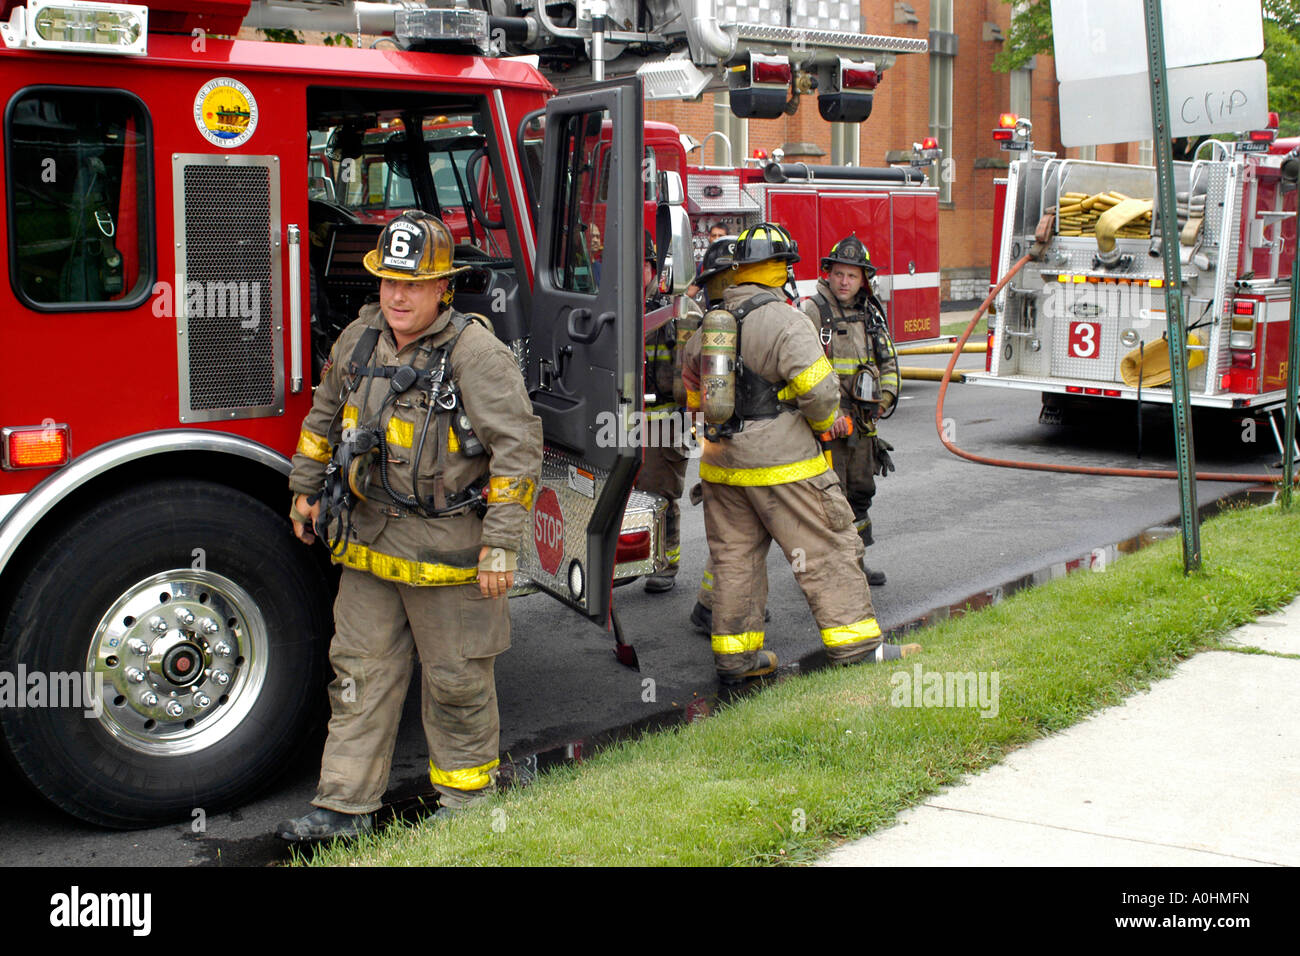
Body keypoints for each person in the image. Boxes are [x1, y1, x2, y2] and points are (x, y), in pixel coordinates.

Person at [277, 211, 543, 842]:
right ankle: (342, 808)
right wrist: (304, 490)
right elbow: (323, 415)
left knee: (457, 680)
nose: (396, 295)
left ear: (443, 288)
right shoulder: (360, 338)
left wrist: (501, 544)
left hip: (450, 554)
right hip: (368, 544)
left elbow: (518, 452)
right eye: (389, 282)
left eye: (413, 284)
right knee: (358, 675)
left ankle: (468, 804)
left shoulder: (477, 354)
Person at [681, 223, 919, 683]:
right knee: (827, 543)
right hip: (782, 465)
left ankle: (736, 661)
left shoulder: (715, 319)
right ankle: (857, 649)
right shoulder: (788, 320)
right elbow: (821, 394)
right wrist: (826, 423)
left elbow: (690, 384)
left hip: (720, 466)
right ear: (781, 270)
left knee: (735, 559)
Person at [799, 234, 899, 586]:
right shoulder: (813, 311)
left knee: (860, 495)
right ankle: (827, 573)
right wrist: (829, 416)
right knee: (830, 500)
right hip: (829, 428)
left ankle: (855, 563)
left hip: (863, 427)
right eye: (839, 274)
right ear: (827, 273)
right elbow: (802, 372)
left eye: (852, 276)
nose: (844, 282)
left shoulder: (870, 312)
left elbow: (889, 364)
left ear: (863, 280)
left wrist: (883, 402)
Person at [636, 231, 691, 592]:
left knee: (659, 495)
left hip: (665, 423)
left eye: (634, 266)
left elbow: (691, 371)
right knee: (631, 496)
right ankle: (636, 557)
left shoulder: (673, 308)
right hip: (625, 419)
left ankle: (665, 563)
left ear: (652, 267)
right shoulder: (619, 305)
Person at [686, 222, 730, 301]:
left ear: (728, 238)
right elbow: (692, 291)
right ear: (709, 238)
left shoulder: (736, 261)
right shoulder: (704, 265)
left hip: (733, 308)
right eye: (714, 236)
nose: (717, 239)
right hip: (713, 311)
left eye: (721, 236)